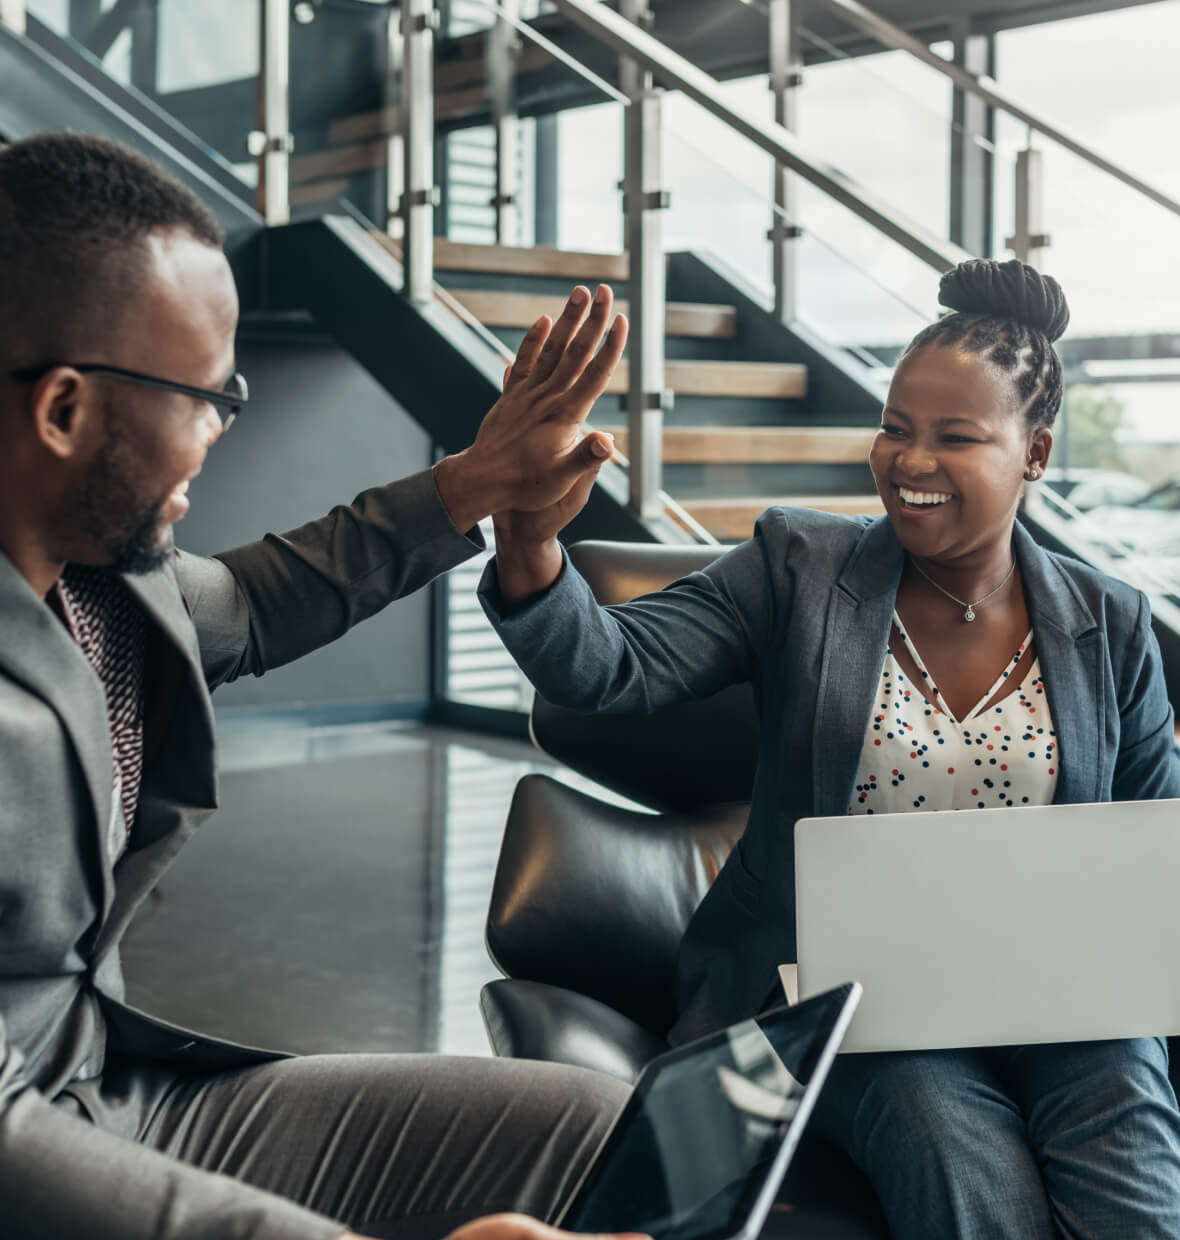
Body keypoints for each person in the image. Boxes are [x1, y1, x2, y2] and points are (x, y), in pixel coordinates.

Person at [0, 131, 634, 1240]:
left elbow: (251, 601)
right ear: (64, 411)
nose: (219, 430)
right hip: (23, 1150)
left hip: (108, 1092)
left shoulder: (94, 574)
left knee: (600, 1125)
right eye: (206, 395)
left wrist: (482, 478)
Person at [481, 257, 1180, 1237]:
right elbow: (608, 667)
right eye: (894, 426)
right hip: (842, 994)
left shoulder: (1109, 624)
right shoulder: (799, 567)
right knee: (956, 1158)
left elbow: (1154, 851)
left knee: (1133, 1172)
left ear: (1033, 452)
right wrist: (526, 543)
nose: (908, 459)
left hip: (1048, 999)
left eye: (953, 436)